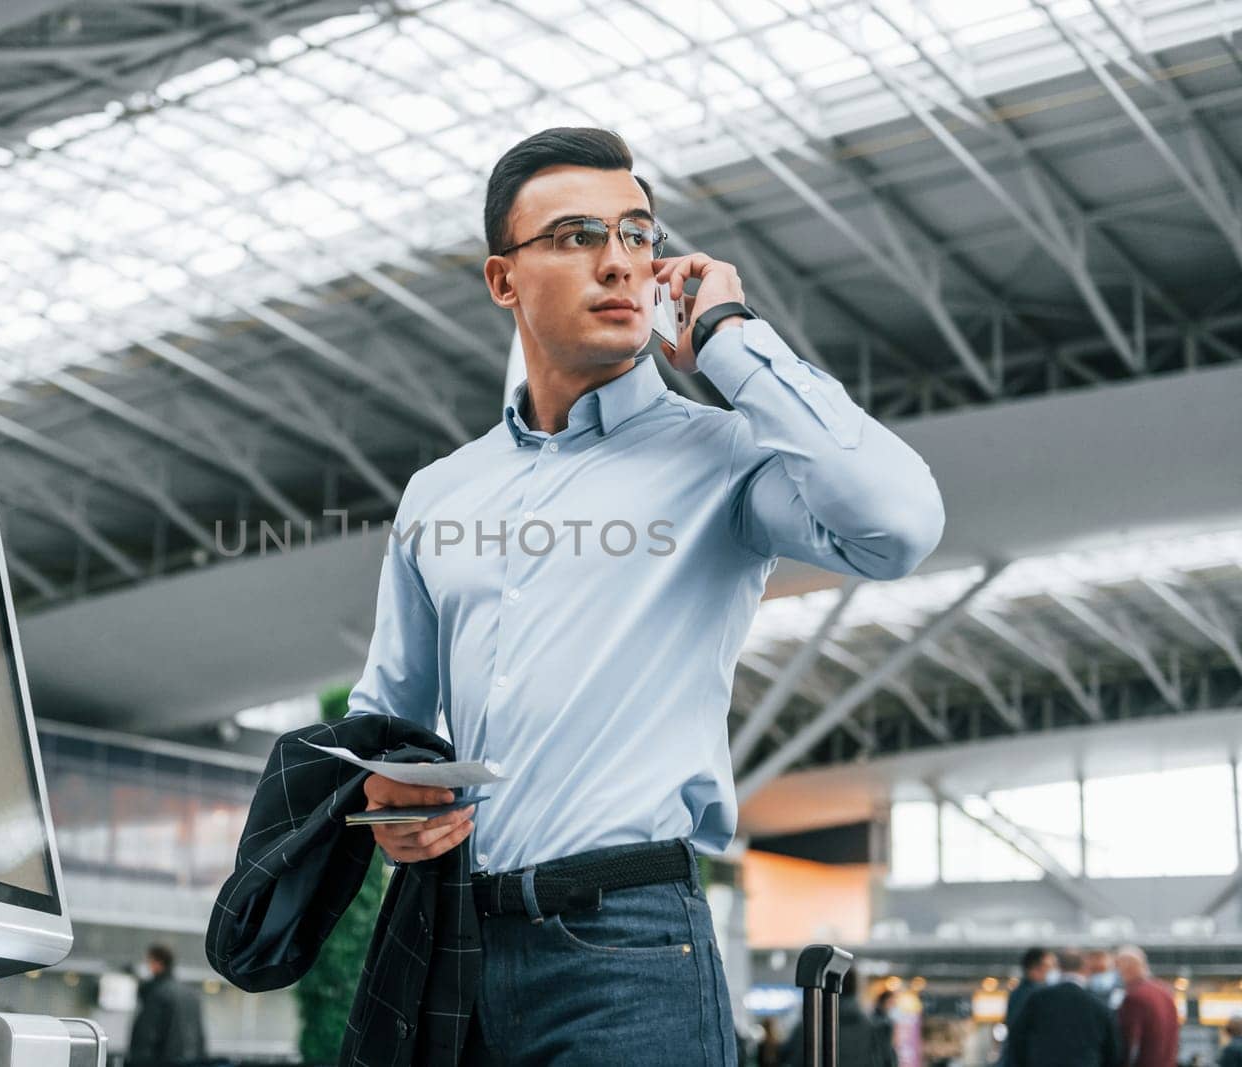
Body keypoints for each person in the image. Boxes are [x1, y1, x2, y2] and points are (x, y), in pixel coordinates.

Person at [346, 126, 944, 1064]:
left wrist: (732, 341)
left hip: (630, 952)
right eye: (579, 235)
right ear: (504, 279)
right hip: (458, 945)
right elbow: (386, 713)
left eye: (638, 234)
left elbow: (898, 523)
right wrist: (388, 797)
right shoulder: (440, 494)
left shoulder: (726, 458)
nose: (620, 262)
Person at [1005, 949, 1118, 1067]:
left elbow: (1017, 1038)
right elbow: (1112, 1051)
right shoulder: (1098, 1005)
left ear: (1059, 968)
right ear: (1084, 968)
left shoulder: (1037, 999)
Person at [779, 970, 895, 1067]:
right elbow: (887, 1061)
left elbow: (789, 1058)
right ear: (856, 988)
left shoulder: (809, 1027)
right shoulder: (874, 1029)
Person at [127, 944, 205, 1067]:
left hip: (162, 1061)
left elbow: (146, 1036)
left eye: (150, 962)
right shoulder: (190, 994)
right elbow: (200, 1036)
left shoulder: (157, 993)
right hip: (190, 1061)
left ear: (157, 963)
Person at [1114, 945, 1177, 1067]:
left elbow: (1130, 1043)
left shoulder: (1134, 997)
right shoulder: (1165, 992)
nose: (1117, 972)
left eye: (1117, 966)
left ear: (1127, 966)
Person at [999, 947, 1057, 1065]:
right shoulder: (1033, 995)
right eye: (1049, 967)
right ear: (1036, 968)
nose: (1052, 970)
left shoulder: (1020, 992)